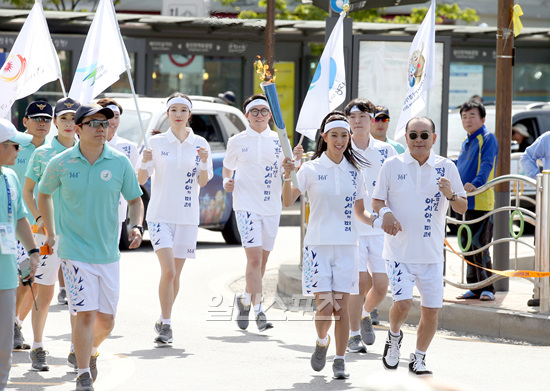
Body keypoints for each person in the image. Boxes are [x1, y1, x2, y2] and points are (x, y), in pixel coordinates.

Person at [38, 104, 144, 391]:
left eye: (105, 124)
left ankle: (86, 350)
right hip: (73, 253)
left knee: (107, 322)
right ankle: (83, 374)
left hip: (108, 254)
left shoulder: (120, 162)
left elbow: (135, 199)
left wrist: (137, 226)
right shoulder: (61, 162)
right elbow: (43, 193)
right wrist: (50, 229)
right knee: (85, 314)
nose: (101, 129)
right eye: (95, 124)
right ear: (78, 128)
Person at [282, 112, 376, 380]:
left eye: (344, 135)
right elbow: (288, 200)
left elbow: (361, 212)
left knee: (341, 309)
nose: (340, 140)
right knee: (325, 309)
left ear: (349, 138)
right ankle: (322, 342)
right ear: (324, 138)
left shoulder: (354, 172)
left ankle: (340, 359)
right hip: (317, 248)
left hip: (347, 247)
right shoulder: (310, 169)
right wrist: (288, 175)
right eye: (334, 135)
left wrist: (380, 220)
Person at [372, 116, 467, 376]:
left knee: (431, 310)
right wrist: (386, 214)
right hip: (399, 252)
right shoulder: (391, 165)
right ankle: (393, 338)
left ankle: (419, 357)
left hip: (432, 254)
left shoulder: (446, 167)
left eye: (424, 135)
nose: (418, 141)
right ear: (406, 138)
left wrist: (450, 194)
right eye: (413, 135)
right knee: (402, 304)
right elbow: (377, 201)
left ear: (433, 139)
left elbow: (462, 207)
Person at [137, 93, 212, 345]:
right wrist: (144, 162)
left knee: (176, 274)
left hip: (187, 217)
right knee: (168, 271)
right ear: (167, 114)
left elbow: (203, 181)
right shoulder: (155, 143)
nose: (178, 114)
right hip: (160, 215)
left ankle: (162, 316)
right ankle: (167, 325)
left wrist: (202, 162)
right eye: (174, 110)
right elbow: (140, 180)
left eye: (183, 110)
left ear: (189, 114)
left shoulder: (200, 143)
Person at [22, 97, 80, 371]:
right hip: (47, 237)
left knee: (78, 296)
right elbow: (28, 191)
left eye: (73, 118)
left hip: (78, 236)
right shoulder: (42, 153)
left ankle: (75, 348)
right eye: (64, 118)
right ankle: (37, 346)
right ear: (55, 122)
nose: (69, 124)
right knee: (43, 294)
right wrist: (40, 219)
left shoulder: (87, 150)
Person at [222, 94, 283, 332]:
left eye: (263, 111)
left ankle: (245, 299)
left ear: (270, 115)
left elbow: (288, 171)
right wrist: (228, 180)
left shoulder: (280, 140)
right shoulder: (237, 140)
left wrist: (294, 163)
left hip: (271, 207)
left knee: (263, 260)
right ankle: (259, 311)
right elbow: (228, 167)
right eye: (254, 111)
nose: (259, 115)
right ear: (246, 115)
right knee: (255, 259)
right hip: (246, 205)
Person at [344, 98, 397, 354]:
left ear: (371, 119)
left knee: (381, 284)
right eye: (353, 117)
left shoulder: (386, 151)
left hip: (378, 228)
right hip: (352, 227)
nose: (357, 121)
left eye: (363, 117)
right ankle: (353, 334)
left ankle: (365, 313)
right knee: (358, 283)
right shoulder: (342, 148)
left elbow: (399, 181)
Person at [8, 100, 53, 351]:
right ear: (25, 122)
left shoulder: (55, 149)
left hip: (43, 227)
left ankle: (15, 322)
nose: (42, 123)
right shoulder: (14, 146)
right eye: (36, 119)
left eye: (46, 119)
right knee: (17, 275)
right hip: (15, 223)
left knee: (32, 277)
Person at [0, 119, 39, 390]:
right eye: (14, 146)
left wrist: (34, 251)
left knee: (3, 344)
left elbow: (21, 219)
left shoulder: (11, 176)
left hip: (6, 275)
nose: (18, 152)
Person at [455, 100, 499, 302]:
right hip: (464, 201)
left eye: (472, 115)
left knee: (480, 246)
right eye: (464, 116)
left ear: (482, 119)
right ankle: (474, 286)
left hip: (481, 201)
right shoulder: (466, 142)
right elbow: (460, 166)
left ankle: (487, 287)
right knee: (466, 245)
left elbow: (487, 164)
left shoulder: (488, 138)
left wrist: (476, 184)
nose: (467, 119)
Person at [96, 98, 139, 244]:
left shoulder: (129, 148)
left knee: (111, 255)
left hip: (117, 213)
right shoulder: (87, 145)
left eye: (116, 116)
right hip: (91, 212)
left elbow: (135, 182)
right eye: (109, 117)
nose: (113, 121)